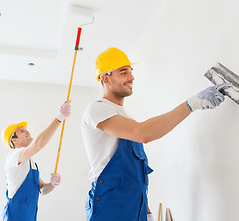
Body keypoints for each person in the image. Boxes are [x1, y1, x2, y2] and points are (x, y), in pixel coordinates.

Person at [82, 47, 229, 221]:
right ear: (106, 78)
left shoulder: (125, 118)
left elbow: (133, 179)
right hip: (110, 205)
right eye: (123, 73)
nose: (131, 77)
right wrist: (192, 104)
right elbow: (143, 133)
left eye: (130, 71)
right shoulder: (97, 109)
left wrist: (147, 210)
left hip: (135, 205)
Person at [2, 101, 71, 221]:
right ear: (14, 140)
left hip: (30, 216)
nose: (27, 131)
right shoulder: (14, 156)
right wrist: (59, 118)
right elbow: (38, 144)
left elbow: (43, 189)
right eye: (22, 131)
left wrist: (52, 184)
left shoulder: (30, 163)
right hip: (15, 216)